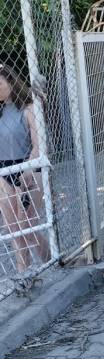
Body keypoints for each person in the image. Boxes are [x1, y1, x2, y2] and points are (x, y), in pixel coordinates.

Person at [0, 65, 49, 273]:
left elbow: (39, 145)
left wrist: (28, 169)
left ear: (11, 82)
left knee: (28, 225)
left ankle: (50, 261)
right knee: (13, 229)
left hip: (28, 167)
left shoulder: (28, 107)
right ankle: (23, 273)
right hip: (3, 170)